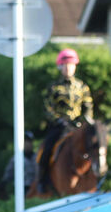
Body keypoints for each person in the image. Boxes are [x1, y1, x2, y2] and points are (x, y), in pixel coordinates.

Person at [38, 48, 94, 193]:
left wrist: (84, 121)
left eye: (71, 64)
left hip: (78, 127)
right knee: (46, 150)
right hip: (59, 127)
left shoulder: (82, 86)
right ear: (60, 67)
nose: (68, 67)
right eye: (65, 64)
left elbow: (88, 105)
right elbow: (47, 108)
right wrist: (60, 121)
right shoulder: (54, 87)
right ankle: (43, 181)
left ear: (75, 66)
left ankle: (98, 177)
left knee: (95, 146)